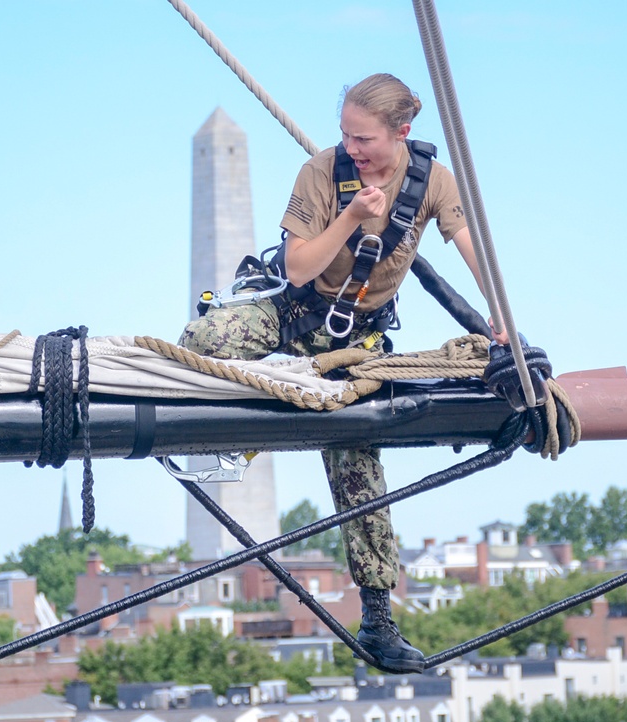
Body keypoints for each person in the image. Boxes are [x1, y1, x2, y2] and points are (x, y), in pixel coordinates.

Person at [180, 74, 507, 673]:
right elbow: (300, 267)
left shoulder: (431, 181)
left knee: (358, 462)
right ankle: (220, 440)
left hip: (358, 338)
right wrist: (353, 216)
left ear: (401, 132)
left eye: (364, 138)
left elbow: (470, 245)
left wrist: (502, 318)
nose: (352, 148)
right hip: (293, 312)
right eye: (346, 135)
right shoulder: (322, 173)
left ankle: (379, 617)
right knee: (206, 339)